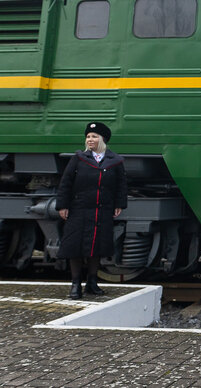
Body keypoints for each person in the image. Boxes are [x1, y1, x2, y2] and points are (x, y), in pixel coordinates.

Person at [56, 122, 127, 299]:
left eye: (94, 136)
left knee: (97, 247)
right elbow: (66, 183)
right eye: (88, 136)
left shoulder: (115, 161)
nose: (90, 139)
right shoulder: (78, 158)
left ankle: (92, 283)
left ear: (102, 139)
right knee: (75, 247)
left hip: (102, 211)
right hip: (79, 210)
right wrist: (62, 205)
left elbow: (121, 185)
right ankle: (75, 284)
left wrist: (119, 204)